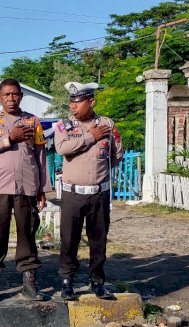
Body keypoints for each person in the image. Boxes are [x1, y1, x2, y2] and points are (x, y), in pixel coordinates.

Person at [0, 78, 52, 303]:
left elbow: (40, 155)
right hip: (0, 187)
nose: (11, 98)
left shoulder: (33, 121)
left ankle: (29, 285)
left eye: (15, 94)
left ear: (21, 96)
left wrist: (43, 189)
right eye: (7, 95)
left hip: (27, 186)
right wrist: (9, 138)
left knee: (27, 234)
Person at [54, 81, 123, 300]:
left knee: (98, 240)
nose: (73, 106)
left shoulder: (108, 125)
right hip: (72, 194)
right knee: (69, 240)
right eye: (71, 102)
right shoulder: (63, 125)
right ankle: (67, 281)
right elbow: (62, 148)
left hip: (99, 193)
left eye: (78, 102)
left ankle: (97, 281)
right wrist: (91, 137)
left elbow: (116, 155)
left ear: (91, 102)